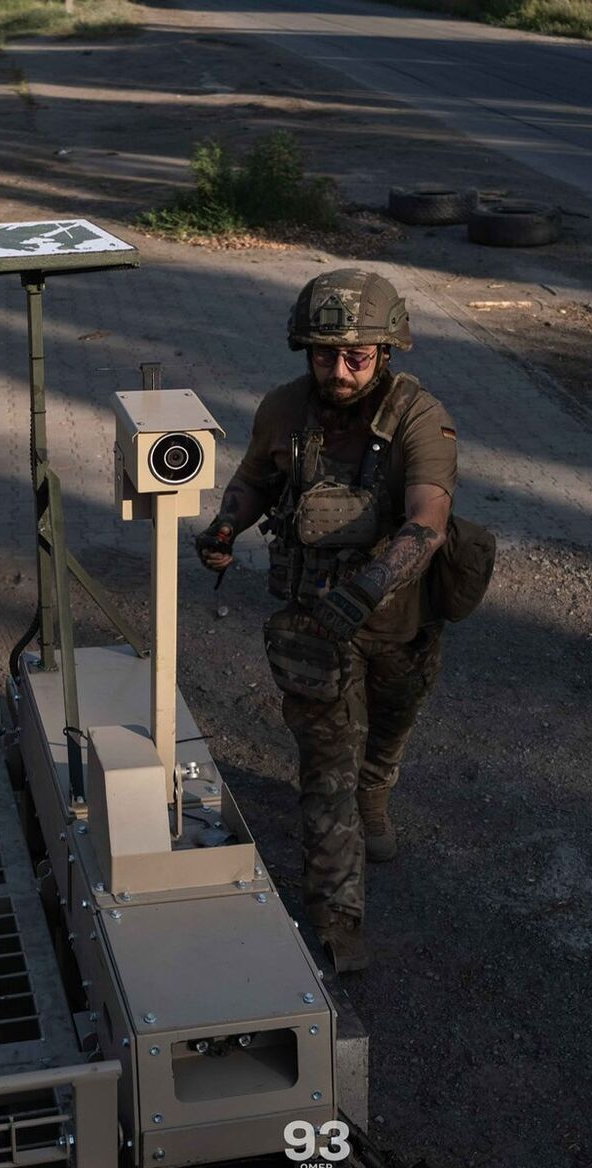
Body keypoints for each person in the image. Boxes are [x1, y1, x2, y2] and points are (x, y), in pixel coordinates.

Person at [193, 269, 457, 973]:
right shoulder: (284, 409)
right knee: (325, 770)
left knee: (393, 721)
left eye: (355, 358)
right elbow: (254, 481)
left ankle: (380, 788)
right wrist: (226, 523)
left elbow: (429, 520)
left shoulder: (418, 417)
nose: (338, 371)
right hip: (314, 624)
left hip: (398, 620)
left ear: (386, 351)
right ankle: (341, 922)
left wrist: (369, 587)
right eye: (322, 355)